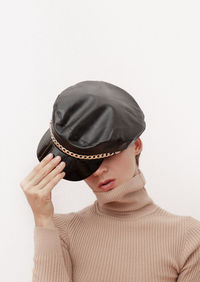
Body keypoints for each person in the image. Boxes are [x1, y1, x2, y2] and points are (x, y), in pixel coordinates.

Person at [20, 81, 200, 282]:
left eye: (105, 156)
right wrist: (43, 220)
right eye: (85, 163)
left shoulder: (189, 238)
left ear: (137, 146)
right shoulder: (61, 230)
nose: (97, 172)